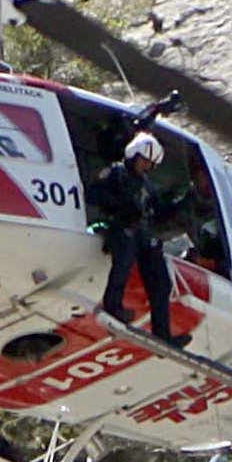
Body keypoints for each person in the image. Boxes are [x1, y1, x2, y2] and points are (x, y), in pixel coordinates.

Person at [87, 130, 191, 347]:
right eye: (146, 161)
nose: (149, 167)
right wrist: (121, 207)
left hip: (145, 236)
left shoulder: (147, 185)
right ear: (134, 155)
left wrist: (179, 204)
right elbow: (94, 194)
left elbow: (158, 212)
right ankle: (113, 306)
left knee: (161, 283)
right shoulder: (116, 173)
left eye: (152, 164)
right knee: (123, 261)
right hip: (123, 229)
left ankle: (162, 334)